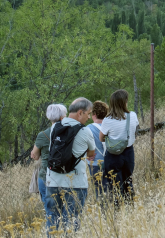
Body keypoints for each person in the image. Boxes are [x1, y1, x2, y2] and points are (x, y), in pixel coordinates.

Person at [45, 98, 95, 233]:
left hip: (53, 180)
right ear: (80, 113)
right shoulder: (85, 131)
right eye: (88, 113)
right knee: (71, 221)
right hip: (75, 183)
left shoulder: (55, 127)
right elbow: (92, 152)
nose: (89, 117)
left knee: (52, 218)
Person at [99, 90, 139, 203]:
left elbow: (101, 138)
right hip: (129, 152)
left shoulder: (108, 120)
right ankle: (130, 206)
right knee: (128, 180)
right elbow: (135, 130)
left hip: (113, 155)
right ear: (124, 102)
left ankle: (116, 208)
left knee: (114, 183)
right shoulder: (132, 116)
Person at [31, 103, 67, 220]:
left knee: (51, 212)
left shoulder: (42, 135)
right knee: (67, 211)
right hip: (65, 176)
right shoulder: (69, 132)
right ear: (62, 117)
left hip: (46, 176)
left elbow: (35, 156)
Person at [86, 100, 108, 197]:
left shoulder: (88, 128)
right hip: (111, 161)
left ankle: (103, 210)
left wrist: (87, 155)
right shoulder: (110, 126)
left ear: (94, 114)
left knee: (99, 190)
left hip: (95, 163)